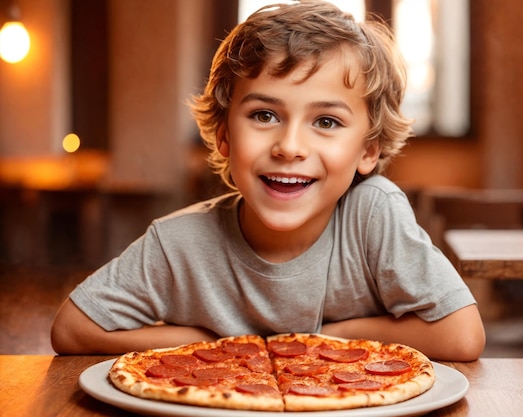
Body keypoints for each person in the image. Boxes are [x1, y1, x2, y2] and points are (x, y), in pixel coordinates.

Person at [51, 0, 485, 361]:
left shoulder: (373, 214)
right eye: (264, 115)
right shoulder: (178, 242)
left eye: (327, 121)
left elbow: (462, 336)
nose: (289, 146)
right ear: (223, 135)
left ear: (367, 151)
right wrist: (219, 347)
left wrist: (324, 337)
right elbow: (72, 330)